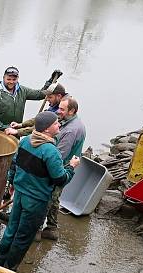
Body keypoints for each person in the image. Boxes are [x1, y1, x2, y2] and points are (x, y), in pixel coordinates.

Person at [0, 112, 80, 271]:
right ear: (47, 129)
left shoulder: (25, 141)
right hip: (36, 201)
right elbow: (60, 179)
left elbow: (14, 165)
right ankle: (9, 270)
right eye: (55, 124)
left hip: (19, 194)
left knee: (11, 230)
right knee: (23, 237)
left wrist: (12, 183)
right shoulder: (50, 151)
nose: (59, 125)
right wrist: (72, 167)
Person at [41, 96, 87, 241]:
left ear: (72, 111)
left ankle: (42, 229)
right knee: (54, 197)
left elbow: (59, 155)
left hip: (62, 168)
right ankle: (51, 228)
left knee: (49, 197)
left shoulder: (71, 130)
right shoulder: (71, 123)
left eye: (62, 109)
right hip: (65, 166)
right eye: (59, 107)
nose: (58, 111)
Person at [0, 66, 53, 137]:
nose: (11, 82)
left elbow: (40, 95)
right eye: (8, 79)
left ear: (17, 79)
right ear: (4, 78)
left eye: (14, 79)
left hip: (14, 133)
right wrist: (3, 127)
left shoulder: (22, 91)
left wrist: (50, 82)